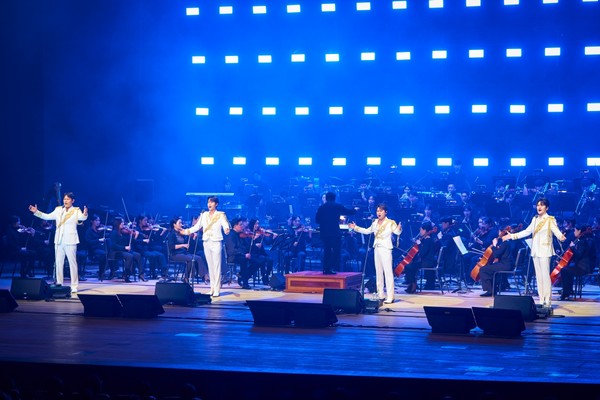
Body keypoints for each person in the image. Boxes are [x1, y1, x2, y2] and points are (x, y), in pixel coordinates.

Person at [502, 198, 566, 308]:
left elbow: (556, 231)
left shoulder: (550, 219)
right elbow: (526, 232)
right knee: (539, 277)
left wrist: (561, 237)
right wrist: (511, 236)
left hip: (545, 251)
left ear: (547, 208)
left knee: (545, 276)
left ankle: (547, 301)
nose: (539, 207)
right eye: (538, 205)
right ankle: (541, 300)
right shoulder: (535, 219)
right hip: (536, 251)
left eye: (542, 205)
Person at [29, 192, 88, 293]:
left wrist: (85, 214)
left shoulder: (76, 210)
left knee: (72, 263)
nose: (65, 201)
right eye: (64, 199)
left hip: (70, 240)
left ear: (72, 201)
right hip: (59, 240)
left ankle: (74, 285)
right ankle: (59, 283)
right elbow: (47, 216)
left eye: (68, 199)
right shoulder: (58, 209)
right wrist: (36, 212)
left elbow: (82, 218)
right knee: (59, 263)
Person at [348, 204, 402, 303]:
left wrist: (399, 228)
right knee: (378, 272)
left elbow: (397, 232)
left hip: (386, 249)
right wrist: (355, 227)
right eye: (377, 211)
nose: (378, 213)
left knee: (388, 273)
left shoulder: (390, 223)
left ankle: (390, 296)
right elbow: (367, 231)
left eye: (381, 211)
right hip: (377, 248)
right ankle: (380, 294)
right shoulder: (375, 222)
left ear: (385, 212)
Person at [181, 196, 230, 297]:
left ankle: (217, 289)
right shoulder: (204, 215)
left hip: (216, 241)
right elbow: (197, 226)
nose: (209, 204)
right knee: (210, 266)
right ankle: (212, 288)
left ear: (216, 204)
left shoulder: (220, 215)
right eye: (208, 202)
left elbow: (225, 225)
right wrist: (186, 231)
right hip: (206, 241)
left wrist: (226, 229)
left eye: (211, 202)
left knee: (216, 266)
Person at [315, 192, 357, 275]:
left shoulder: (321, 207)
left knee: (327, 250)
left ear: (326, 198)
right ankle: (334, 268)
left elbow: (317, 220)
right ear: (334, 198)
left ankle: (326, 269)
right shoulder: (337, 206)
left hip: (324, 233)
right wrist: (355, 209)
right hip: (334, 232)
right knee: (336, 250)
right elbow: (348, 211)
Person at [558, 224, 596, 301]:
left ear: (579, 231)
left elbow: (579, 255)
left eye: (575, 230)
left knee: (565, 270)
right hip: (581, 265)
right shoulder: (581, 240)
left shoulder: (583, 242)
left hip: (584, 267)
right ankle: (568, 290)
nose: (574, 232)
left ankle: (566, 292)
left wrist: (572, 247)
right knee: (566, 269)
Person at [168, 218, 206, 284]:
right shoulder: (172, 234)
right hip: (175, 254)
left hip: (183, 253)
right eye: (179, 223)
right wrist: (183, 245)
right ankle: (186, 278)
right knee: (191, 259)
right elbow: (171, 247)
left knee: (198, 258)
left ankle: (204, 276)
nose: (181, 224)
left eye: (181, 223)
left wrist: (192, 236)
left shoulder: (181, 233)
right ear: (174, 225)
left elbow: (188, 244)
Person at [478, 226, 514, 297]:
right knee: (490, 268)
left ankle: (490, 291)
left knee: (483, 269)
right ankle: (493, 289)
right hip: (507, 264)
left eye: (499, 232)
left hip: (505, 265)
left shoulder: (505, 243)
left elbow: (496, 255)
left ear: (501, 232)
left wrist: (494, 245)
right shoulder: (508, 242)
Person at [402, 222, 436, 294]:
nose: (420, 232)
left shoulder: (428, 240)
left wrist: (419, 244)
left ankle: (413, 284)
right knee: (410, 266)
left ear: (425, 230)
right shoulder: (425, 239)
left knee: (408, 267)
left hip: (428, 262)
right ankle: (411, 284)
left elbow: (423, 253)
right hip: (424, 261)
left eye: (421, 230)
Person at [109, 217, 143, 282]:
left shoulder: (123, 233)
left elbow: (131, 241)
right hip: (116, 252)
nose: (123, 224)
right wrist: (124, 247)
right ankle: (127, 275)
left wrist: (135, 235)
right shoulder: (114, 233)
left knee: (138, 255)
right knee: (129, 256)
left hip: (124, 251)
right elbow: (113, 246)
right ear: (117, 223)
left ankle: (141, 274)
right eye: (122, 222)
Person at [84, 214, 109, 280]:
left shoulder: (99, 230)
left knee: (109, 251)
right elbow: (88, 241)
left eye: (99, 220)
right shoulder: (89, 231)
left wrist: (104, 229)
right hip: (92, 249)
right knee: (103, 254)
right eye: (96, 220)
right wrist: (98, 240)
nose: (98, 222)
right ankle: (101, 273)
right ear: (92, 221)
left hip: (99, 248)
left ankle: (108, 269)